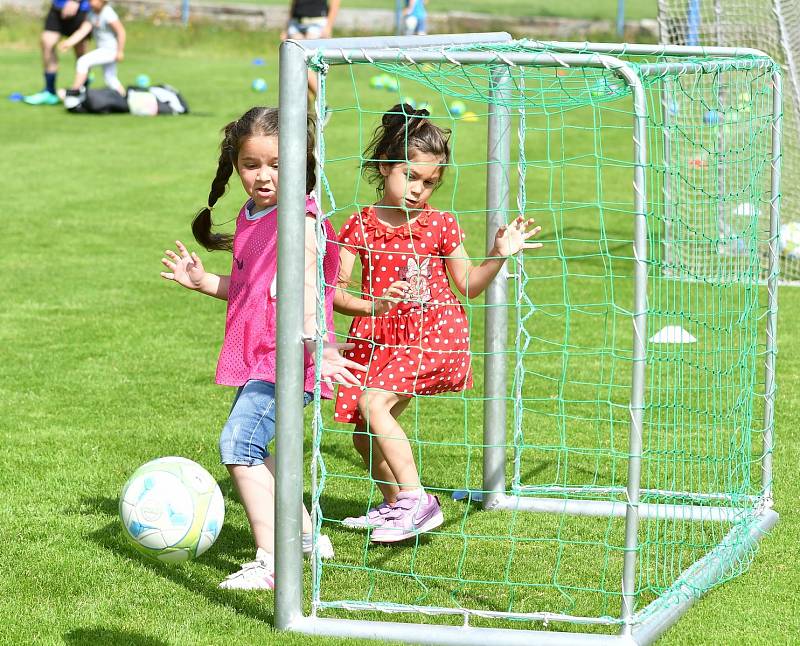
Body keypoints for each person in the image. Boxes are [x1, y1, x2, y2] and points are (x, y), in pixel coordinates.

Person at [159, 106, 364, 590]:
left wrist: (325, 349)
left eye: (276, 163)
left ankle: (273, 560)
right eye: (252, 165)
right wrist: (205, 280)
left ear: (300, 161)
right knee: (252, 446)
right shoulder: (253, 215)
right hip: (261, 358)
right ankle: (308, 537)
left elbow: (312, 292)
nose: (265, 176)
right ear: (236, 165)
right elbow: (251, 290)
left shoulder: (302, 222)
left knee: (237, 445)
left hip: (293, 357)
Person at [333, 104, 542, 543]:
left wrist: (498, 255)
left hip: (433, 334)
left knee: (374, 406)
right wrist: (373, 307)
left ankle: (417, 501)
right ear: (383, 167)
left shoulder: (441, 224)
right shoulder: (358, 225)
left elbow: (467, 285)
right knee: (363, 433)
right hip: (379, 338)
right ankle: (394, 507)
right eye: (410, 176)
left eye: (429, 183)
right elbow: (334, 292)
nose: (418, 190)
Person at [57, 0, 126, 105]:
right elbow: (83, 31)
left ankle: (74, 92)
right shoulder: (92, 13)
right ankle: (125, 99)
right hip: (103, 49)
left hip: (110, 50)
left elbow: (121, 32)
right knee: (110, 78)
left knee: (83, 61)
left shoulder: (108, 13)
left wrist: (120, 51)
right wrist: (68, 43)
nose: (90, 2)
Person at [24, 0, 91, 105]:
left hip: (80, 8)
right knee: (47, 42)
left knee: (80, 50)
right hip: (58, 6)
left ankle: (83, 89)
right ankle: (49, 91)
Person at [280, 0, 341, 97]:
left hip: (316, 23)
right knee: (295, 65)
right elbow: (294, 3)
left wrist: (328, 26)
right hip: (296, 23)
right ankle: (306, 106)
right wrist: (286, 27)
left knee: (304, 65)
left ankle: (322, 102)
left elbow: (335, 2)